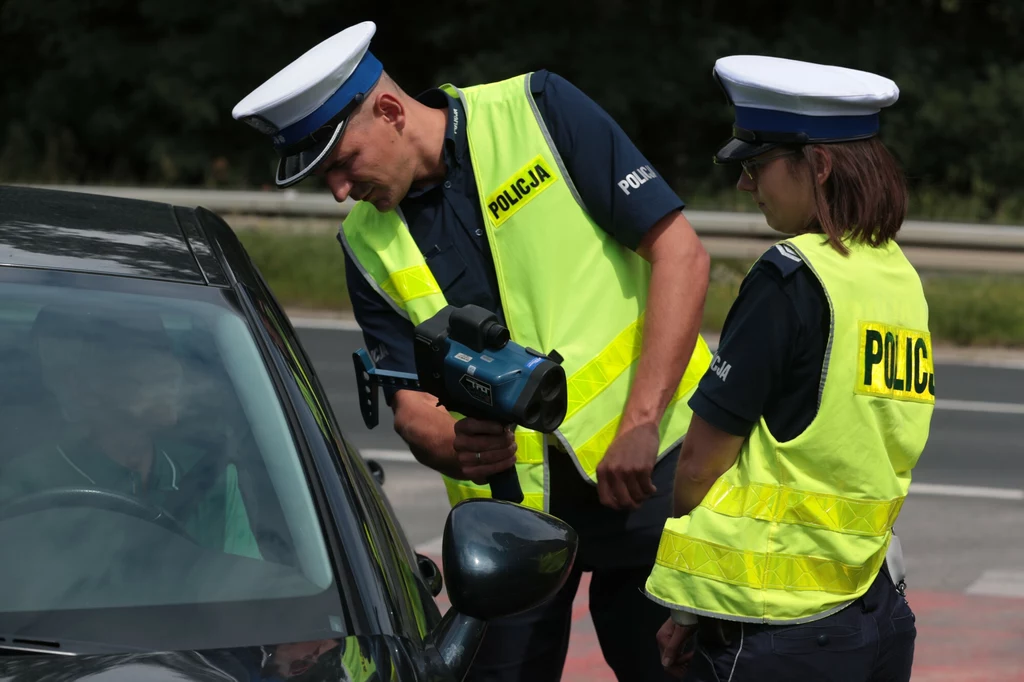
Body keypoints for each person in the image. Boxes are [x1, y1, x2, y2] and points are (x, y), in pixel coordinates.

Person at [232, 21, 712, 681]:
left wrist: (641, 421)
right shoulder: (366, 245)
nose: (340, 192)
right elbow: (411, 403)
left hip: (649, 479)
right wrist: (453, 444)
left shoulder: (540, 112)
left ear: (392, 111)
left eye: (343, 164)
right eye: (325, 179)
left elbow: (679, 254)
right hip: (508, 527)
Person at [645, 56, 934, 681]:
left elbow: (698, 464)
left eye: (756, 166)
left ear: (820, 165)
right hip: (877, 610)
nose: (747, 186)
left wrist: (689, 610)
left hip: (776, 629)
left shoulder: (791, 277)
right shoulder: (898, 276)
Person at [0, 306, 261, 559]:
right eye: (142, 353)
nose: (171, 370)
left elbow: (255, 588)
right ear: (81, 383)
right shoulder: (24, 484)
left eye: (166, 349)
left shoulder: (210, 475)